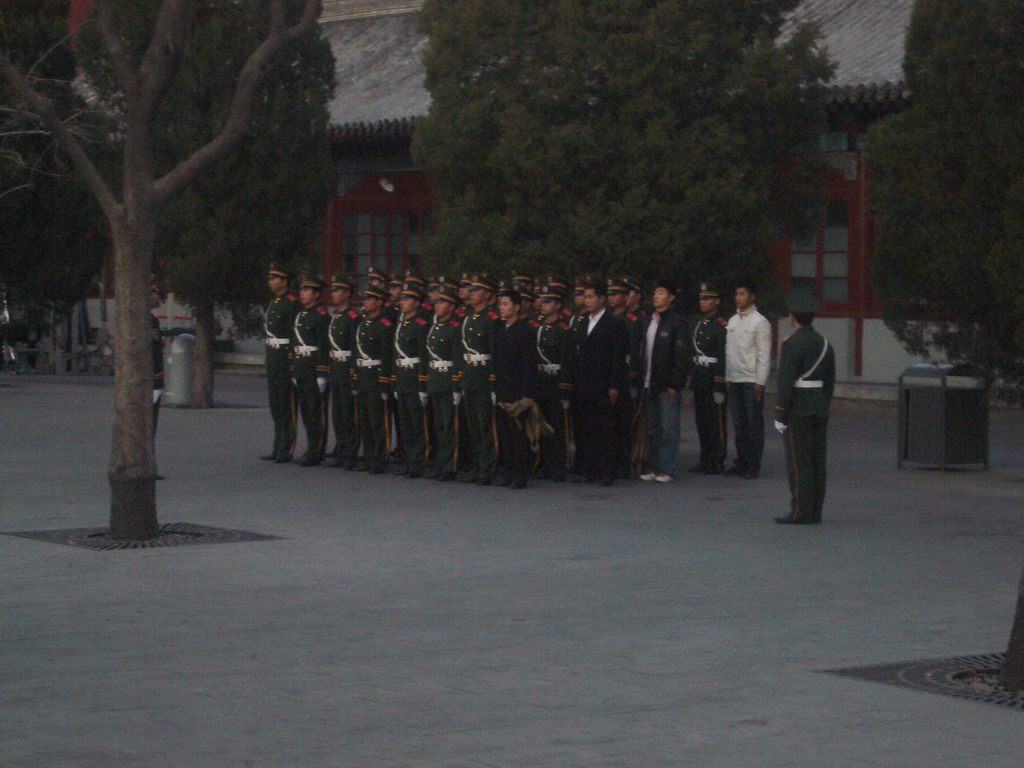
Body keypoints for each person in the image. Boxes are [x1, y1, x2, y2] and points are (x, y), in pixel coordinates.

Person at [773, 289, 835, 525]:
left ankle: (800, 511)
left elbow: (786, 382)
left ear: (792, 317)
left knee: (799, 462)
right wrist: (822, 403)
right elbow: (829, 382)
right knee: (818, 460)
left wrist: (780, 411)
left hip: (798, 408)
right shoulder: (825, 343)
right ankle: (815, 510)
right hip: (819, 406)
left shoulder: (791, 343)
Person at [573, 278, 628, 486]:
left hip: (604, 384)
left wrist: (614, 385)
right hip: (584, 384)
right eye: (585, 297)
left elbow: (618, 357)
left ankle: (607, 472)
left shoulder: (614, 323)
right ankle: (591, 470)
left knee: (606, 430)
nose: (587, 301)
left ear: (602, 299)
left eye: (591, 297)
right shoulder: (583, 321)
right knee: (588, 429)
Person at [638, 280, 688, 482]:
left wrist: (675, 383)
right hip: (649, 381)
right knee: (653, 428)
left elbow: (681, 355)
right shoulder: (649, 320)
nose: (656, 296)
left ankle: (667, 468)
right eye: (655, 292)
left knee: (668, 427)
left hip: (666, 384)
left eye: (661, 293)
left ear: (671, 297)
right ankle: (654, 465)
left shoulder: (676, 322)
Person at [493, 284, 540, 489]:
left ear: (517, 307)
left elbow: (529, 365)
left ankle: (521, 474)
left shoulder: (526, 331)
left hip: (518, 391)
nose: (501, 308)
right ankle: (509, 471)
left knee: (518, 434)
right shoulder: (500, 329)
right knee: (504, 434)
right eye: (499, 304)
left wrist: (528, 394)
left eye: (505, 304)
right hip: (502, 388)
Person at [725, 280, 772, 479]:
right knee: (739, 424)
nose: (738, 297)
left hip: (751, 379)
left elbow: (764, 354)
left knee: (753, 424)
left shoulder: (760, 322)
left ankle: (753, 463)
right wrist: (727, 377)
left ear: (752, 297)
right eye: (737, 294)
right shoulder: (732, 321)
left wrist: (760, 382)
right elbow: (729, 352)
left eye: (742, 294)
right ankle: (741, 461)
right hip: (734, 378)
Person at [459, 274, 501, 485]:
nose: (472, 294)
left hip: (484, 376)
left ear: (486, 295)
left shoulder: (492, 319)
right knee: (473, 425)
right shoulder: (467, 318)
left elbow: (494, 351)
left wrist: (494, 382)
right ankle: (477, 465)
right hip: (470, 376)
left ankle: (488, 466)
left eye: (477, 291)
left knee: (486, 424)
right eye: (471, 290)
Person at [534, 283, 575, 481]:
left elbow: (568, 361)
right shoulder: (538, 327)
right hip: (541, 381)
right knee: (541, 424)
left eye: (548, 302)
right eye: (542, 301)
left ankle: (559, 465)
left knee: (558, 426)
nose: (543, 305)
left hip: (556, 381)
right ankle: (544, 463)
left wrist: (565, 390)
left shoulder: (564, 330)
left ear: (558, 305)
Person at [391, 281, 431, 477]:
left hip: (414, 377)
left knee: (417, 424)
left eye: (407, 299)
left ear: (417, 303)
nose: (403, 302)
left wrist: (423, 383)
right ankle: (408, 460)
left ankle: (419, 462)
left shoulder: (420, 325)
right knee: (405, 424)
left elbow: (424, 356)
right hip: (402, 378)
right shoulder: (401, 324)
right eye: (402, 299)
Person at [354, 283, 394, 474]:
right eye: (366, 299)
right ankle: (369, 455)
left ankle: (380, 457)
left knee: (378, 420)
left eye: (370, 299)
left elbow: (387, 355)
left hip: (376, 376)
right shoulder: (363, 323)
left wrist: (385, 381)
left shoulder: (384, 325)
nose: (366, 302)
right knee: (365, 420)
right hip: (363, 375)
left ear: (379, 302)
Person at [261, 263, 299, 463]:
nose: (271, 282)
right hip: (274, 358)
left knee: (287, 405)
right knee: (276, 405)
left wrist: (292, 362)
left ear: (284, 281)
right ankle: (277, 446)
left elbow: (295, 335)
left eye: (275, 278)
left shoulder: (291, 302)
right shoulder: (274, 302)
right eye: (270, 278)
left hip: (285, 358)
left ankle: (287, 447)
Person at [425, 281, 463, 481]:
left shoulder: (455, 328)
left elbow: (457, 358)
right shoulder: (435, 327)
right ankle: (441, 463)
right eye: (437, 302)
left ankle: (451, 465)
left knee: (449, 426)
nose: (437, 305)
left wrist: (457, 385)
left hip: (448, 380)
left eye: (443, 303)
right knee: (438, 425)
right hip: (436, 380)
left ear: (451, 306)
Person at [689, 282, 728, 474]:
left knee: (715, 421)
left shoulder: (721, 326)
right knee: (701, 420)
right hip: (700, 376)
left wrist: (719, 384)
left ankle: (717, 459)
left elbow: (722, 356)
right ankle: (705, 458)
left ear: (717, 302)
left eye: (707, 299)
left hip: (713, 376)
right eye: (701, 298)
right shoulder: (699, 324)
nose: (702, 302)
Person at [291, 274, 330, 467]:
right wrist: (295, 371)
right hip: (302, 368)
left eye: (307, 290)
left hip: (314, 369)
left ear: (316, 294)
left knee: (316, 412)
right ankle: (310, 447)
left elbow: (324, 346)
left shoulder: (321, 316)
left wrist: (322, 373)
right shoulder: (301, 315)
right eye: (302, 290)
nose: (303, 294)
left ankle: (317, 450)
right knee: (306, 411)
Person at [324, 273, 361, 470]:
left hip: (347, 368)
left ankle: (350, 453)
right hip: (336, 369)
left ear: (347, 293)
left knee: (348, 414)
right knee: (337, 414)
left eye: (337, 290)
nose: (334, 294)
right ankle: (341, 450)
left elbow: (356, 348)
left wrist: (354, 372)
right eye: (333, 290)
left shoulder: (353, 317)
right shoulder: (336, 316)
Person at [608, 277, 642, 477]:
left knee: (624, 422)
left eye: (617, 294)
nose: (613, 298)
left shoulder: (633, 321)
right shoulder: (609, 320)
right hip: (611, 375)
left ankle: (624, 461)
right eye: (610, 294)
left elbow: (634, 351)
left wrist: (633, 377)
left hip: (625, 376)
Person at [149, 282, 165, 435]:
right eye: (154, 294)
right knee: (151, 416)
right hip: (153, 375)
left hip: (152, 374)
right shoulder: (151, 321)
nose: (157, 297)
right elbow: (153, 349)